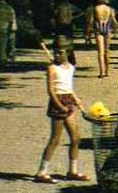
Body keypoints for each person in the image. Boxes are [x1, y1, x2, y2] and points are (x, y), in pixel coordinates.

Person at [33, 38, 88, 183]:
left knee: (76, 138)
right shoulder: (51, 68)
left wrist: (77, 101)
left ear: (68, 52)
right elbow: (51, 90)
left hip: (68, 100)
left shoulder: (70, 67)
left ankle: (72, 171)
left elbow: (69, 87)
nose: (57, 55)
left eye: (60, 52)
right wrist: (60, 106)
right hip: (57, 101)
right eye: (55, 52)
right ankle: (42, 172)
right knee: (55, 139)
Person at [89, 0, 117, 78]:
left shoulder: (95, 8)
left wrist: (88, 33)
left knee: (100, 52)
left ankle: (101, 72)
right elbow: (115, 21)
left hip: (98, 28)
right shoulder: (110, 9)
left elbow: (90, 21)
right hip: (107, 28)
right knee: (107, 51)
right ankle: (107, 72)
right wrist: (114, 30)